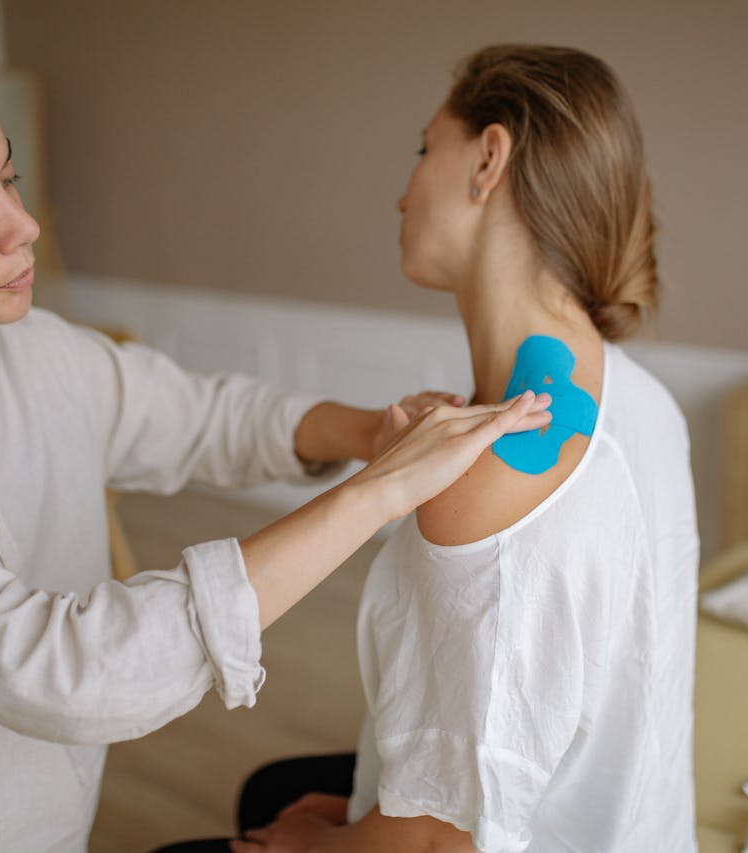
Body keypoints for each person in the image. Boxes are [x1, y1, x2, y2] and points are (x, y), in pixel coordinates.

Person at [0, 6, 553, 853]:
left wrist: (370, 433)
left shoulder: (33, 350)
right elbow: (75, 667)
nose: (24, 228)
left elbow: (204, 416)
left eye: (8, 181)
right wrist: (376, 494)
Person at [161, 44, 699, 853]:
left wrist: (321, 843)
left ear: (489, 159)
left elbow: (436, 847)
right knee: (270, 789)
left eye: (423, 149)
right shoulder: (642, 398)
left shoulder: (482, 482)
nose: (403, 190)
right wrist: (366, 808)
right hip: (627, 821)